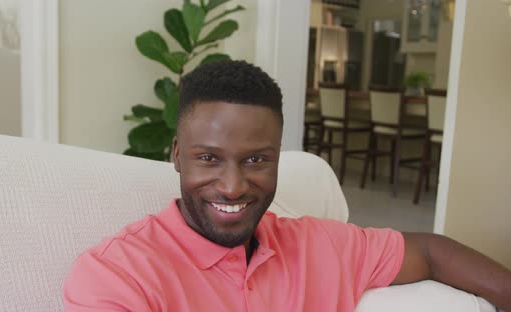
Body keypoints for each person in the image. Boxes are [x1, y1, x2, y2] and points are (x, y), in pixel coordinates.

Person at [63, 60, 511, 311]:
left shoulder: (318, 245)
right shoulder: (117, 276)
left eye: (256, 159)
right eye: (208, 158)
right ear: (177, 154)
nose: (233, 186)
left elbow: (431, 253)